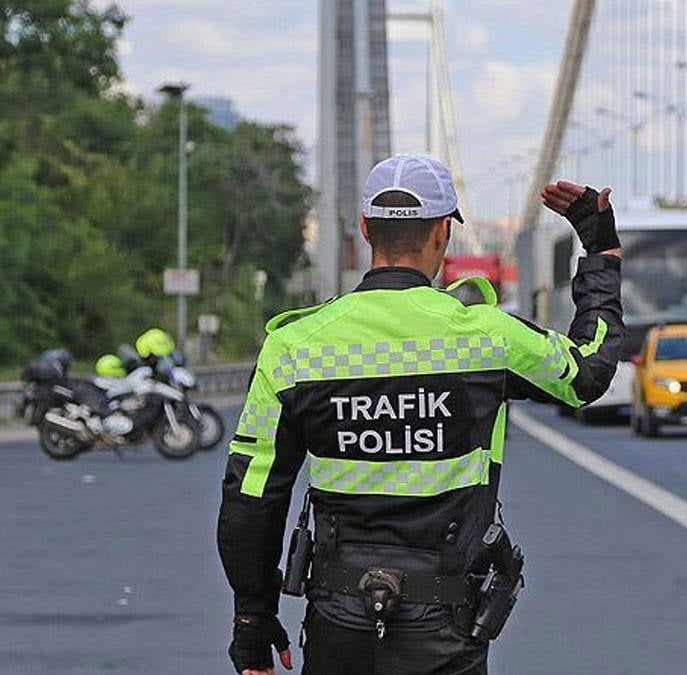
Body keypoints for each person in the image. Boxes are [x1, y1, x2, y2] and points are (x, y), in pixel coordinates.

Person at [217, 153, 624, 675]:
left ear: (366, 229)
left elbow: (251, 497)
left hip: (338, 623)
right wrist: (601, 253)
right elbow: (588, 372)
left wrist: (252, 619)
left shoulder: (293, 347)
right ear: (442, 234)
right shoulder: (487, 337)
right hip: (446, 624)